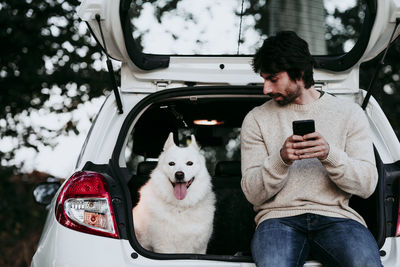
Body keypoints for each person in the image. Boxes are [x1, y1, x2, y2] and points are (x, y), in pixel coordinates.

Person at [240, 31, 381, 267]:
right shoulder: (256, 119)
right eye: (264, 79)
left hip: (338, 218)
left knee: (365, 263)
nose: (265, 89)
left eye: (273, 79)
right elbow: (252, 193)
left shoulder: (349, 113)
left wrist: (330, 155)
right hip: (277, 219)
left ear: (300, 73)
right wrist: (281, 159)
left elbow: (367, 185)